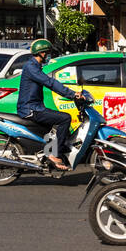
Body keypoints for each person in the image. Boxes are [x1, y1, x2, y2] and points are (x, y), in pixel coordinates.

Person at [16, 39, 81, 170]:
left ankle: (47, 152)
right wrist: (71, 94)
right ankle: (54, 154)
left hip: (35, 107)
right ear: (42, 53)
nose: (48, 55)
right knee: (65, 118)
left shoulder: (34, 66)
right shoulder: (31, 67)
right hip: (31, 109)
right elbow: (49, 82)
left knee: (54, 127)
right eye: (47, 52)